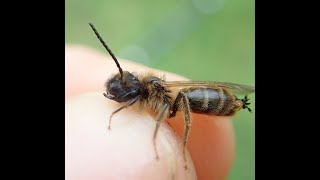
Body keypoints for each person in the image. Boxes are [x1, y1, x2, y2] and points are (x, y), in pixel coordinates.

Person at [65, 45, 235, 180]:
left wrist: (153, 139)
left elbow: (164, 105)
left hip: (208, 99)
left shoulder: (153, 90)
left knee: (183, 97)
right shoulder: (146, 92)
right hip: (197, 97)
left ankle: (177, 146)